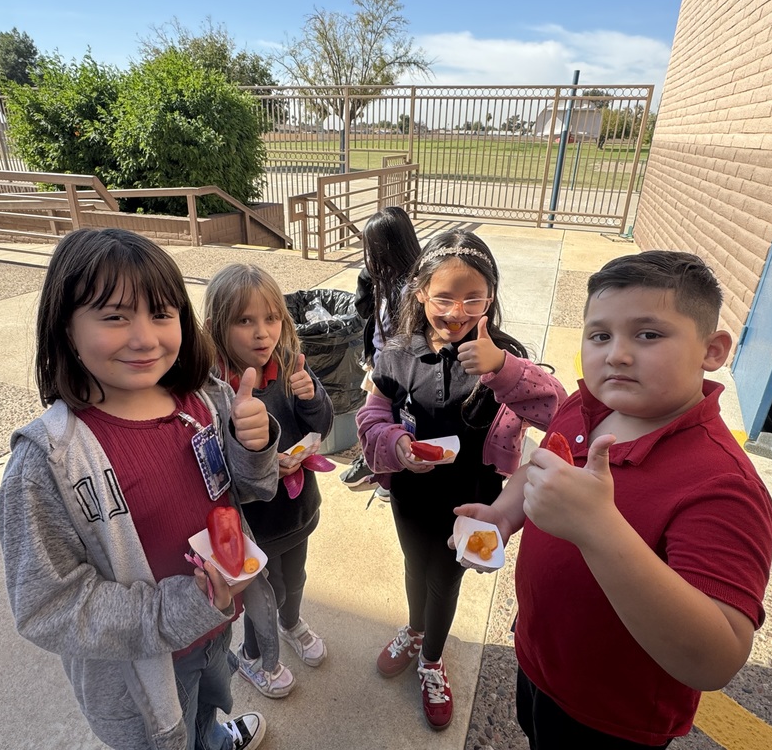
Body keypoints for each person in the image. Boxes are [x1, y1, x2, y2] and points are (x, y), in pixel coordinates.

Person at [456, 250, 772, 748]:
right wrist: (502, 513)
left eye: (648, 334)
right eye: (600, 335)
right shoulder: (584, 405)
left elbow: (716, 657)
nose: (618, 355)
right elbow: (541, 464)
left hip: (614, 715)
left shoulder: (722, 485)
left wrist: (597, 527)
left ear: (712, 350)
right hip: (540, 657)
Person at [0, 228, 277, 750]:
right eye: (115, 316)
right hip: (144, 669)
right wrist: (179, 610)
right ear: (65, 328)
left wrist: (251, 444)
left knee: (213, 698)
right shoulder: (48, 463)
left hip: (217, 624)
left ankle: (213, 734)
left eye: (162, 314)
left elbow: (251, 490)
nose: (145, 338)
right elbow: (47, 606)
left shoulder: (203, 401)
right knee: (168, 733)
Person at [356, 229, 566, 731]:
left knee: (445, 578)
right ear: (420, 293)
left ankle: (431, 657)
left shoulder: (502, 355)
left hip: (473, 497)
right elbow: (371, 414)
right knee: (415, 564)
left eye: (473, 297)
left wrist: (502, 368)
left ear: (491, 298)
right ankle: (413, 628)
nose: (457, 311)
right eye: (444, 297)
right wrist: (394, 445)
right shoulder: (397, 353)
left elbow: (557, 410)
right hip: (411, 490)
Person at [203, 263, 334, 700]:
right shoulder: (215, 390)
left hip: (296, 508)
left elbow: (324, 423)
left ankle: (292, 621)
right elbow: (213, 464)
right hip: (253, 523)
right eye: (245, 320)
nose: (263, 333)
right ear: (218, 326)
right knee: (261, 592)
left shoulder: (289, 366)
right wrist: (255, 457)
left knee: (294, 579)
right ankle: (254, 654)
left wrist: (312, 397)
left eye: (271, 318)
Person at [340, 206, 422, 494]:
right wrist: (367, 278)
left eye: (372, 249)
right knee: (375, 418)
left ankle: (386, 472)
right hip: (378, 362)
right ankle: (377, 464)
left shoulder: (413, 288)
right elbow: (363, 310)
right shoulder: (383, 279)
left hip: (398, 371)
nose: (369, 257)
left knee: (391, 420)